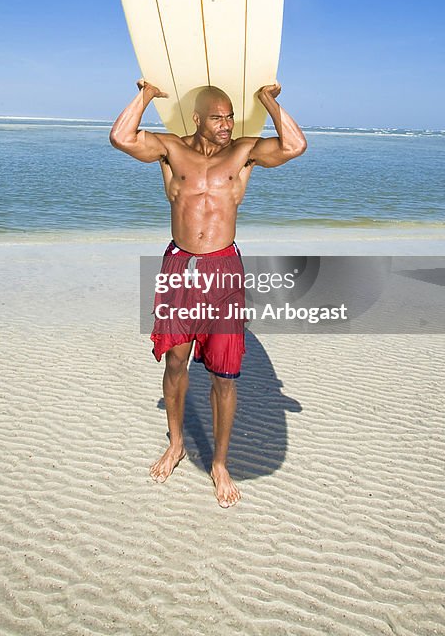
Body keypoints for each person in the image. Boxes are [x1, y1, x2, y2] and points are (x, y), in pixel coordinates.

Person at [109, 79, 307, 507]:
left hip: (222, 270)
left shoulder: (243, 152)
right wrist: (145, 96)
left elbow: (294, 146)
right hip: (180, 266)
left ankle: (219, 463)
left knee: (223, 374)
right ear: (197, 118)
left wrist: (270, 103)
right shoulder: (171, 149)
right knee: (176, 363)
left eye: (230, 116)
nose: (226, 124)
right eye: (217, 117)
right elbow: (120, 137)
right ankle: (176, 443)